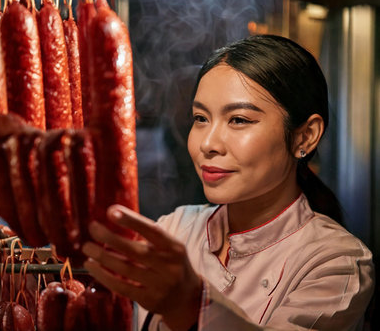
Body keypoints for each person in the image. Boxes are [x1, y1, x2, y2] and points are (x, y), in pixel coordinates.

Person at [81, 35, 375, 331]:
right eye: (200, 118)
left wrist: (189, 304)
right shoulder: (176, 229)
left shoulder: (337, 262)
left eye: (238, 120)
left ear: (305, 136)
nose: (207, 143)